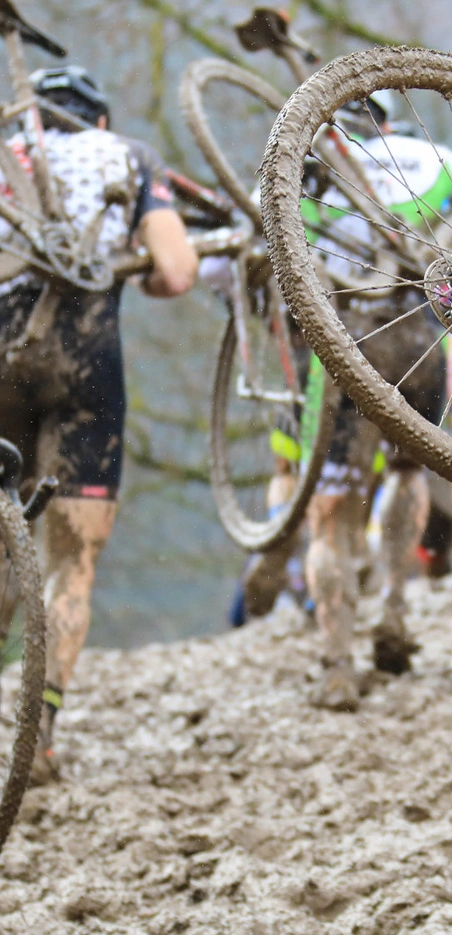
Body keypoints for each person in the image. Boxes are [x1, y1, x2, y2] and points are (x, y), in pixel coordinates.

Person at [243, 92, 452, 709]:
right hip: (418, 338)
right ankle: (395, 606)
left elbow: (247, 259)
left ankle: (337, 664)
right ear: (389, 119)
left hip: (341, 342)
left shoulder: (305, 173)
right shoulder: (431, 157)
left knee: (334, 509)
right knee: (406, 473)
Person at [0, 66, 198, 782]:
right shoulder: (129, 155)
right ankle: (40, 733)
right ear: (100, 119)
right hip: (85, 358)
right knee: (71, 562)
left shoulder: (6, 152)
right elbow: (176, 271)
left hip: (1, 346)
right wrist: (140, 272)